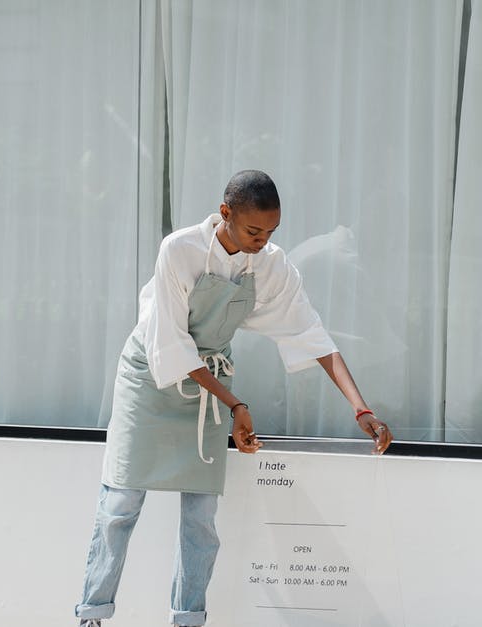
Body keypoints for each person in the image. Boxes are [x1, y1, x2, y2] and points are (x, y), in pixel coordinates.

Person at [74, 170, 393, 627]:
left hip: (211, 387)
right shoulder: (179, 250)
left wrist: (361, 408)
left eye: (270, 232)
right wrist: (235, 404)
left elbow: (311, 333)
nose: (263, 241)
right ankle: (92, 615)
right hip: (150, 377)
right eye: (253, 230)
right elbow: (172, 346)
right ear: (225, 213)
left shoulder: (271, 264)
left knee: (201, 518)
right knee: (120, 505)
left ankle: (187, 621)